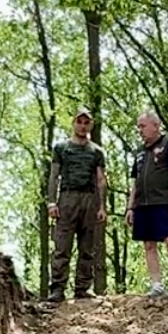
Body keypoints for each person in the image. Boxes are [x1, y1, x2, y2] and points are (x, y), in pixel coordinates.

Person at [46, 108, 109, 302]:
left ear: (90, 125)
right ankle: (57, 289)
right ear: (73, 123)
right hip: (67, 199)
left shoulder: (96, 151)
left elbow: (101, 180)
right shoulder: (61, 148)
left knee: (87, 247)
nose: (82, 126)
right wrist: (51, 202)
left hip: (89, 200)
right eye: (79, 122)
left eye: (86, 122)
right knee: (62, 246)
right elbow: (54, 175)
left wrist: (102, 206)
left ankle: (82, 288)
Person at [127, 110, 168, 298]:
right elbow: (135, 181)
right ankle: (156, 285)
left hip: (163, 202)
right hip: (142, 204)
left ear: (156, 125)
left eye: (143, 126)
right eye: (138, 126)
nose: (140, 130)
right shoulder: (140, 152)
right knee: (148, 244)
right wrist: (130, 207)